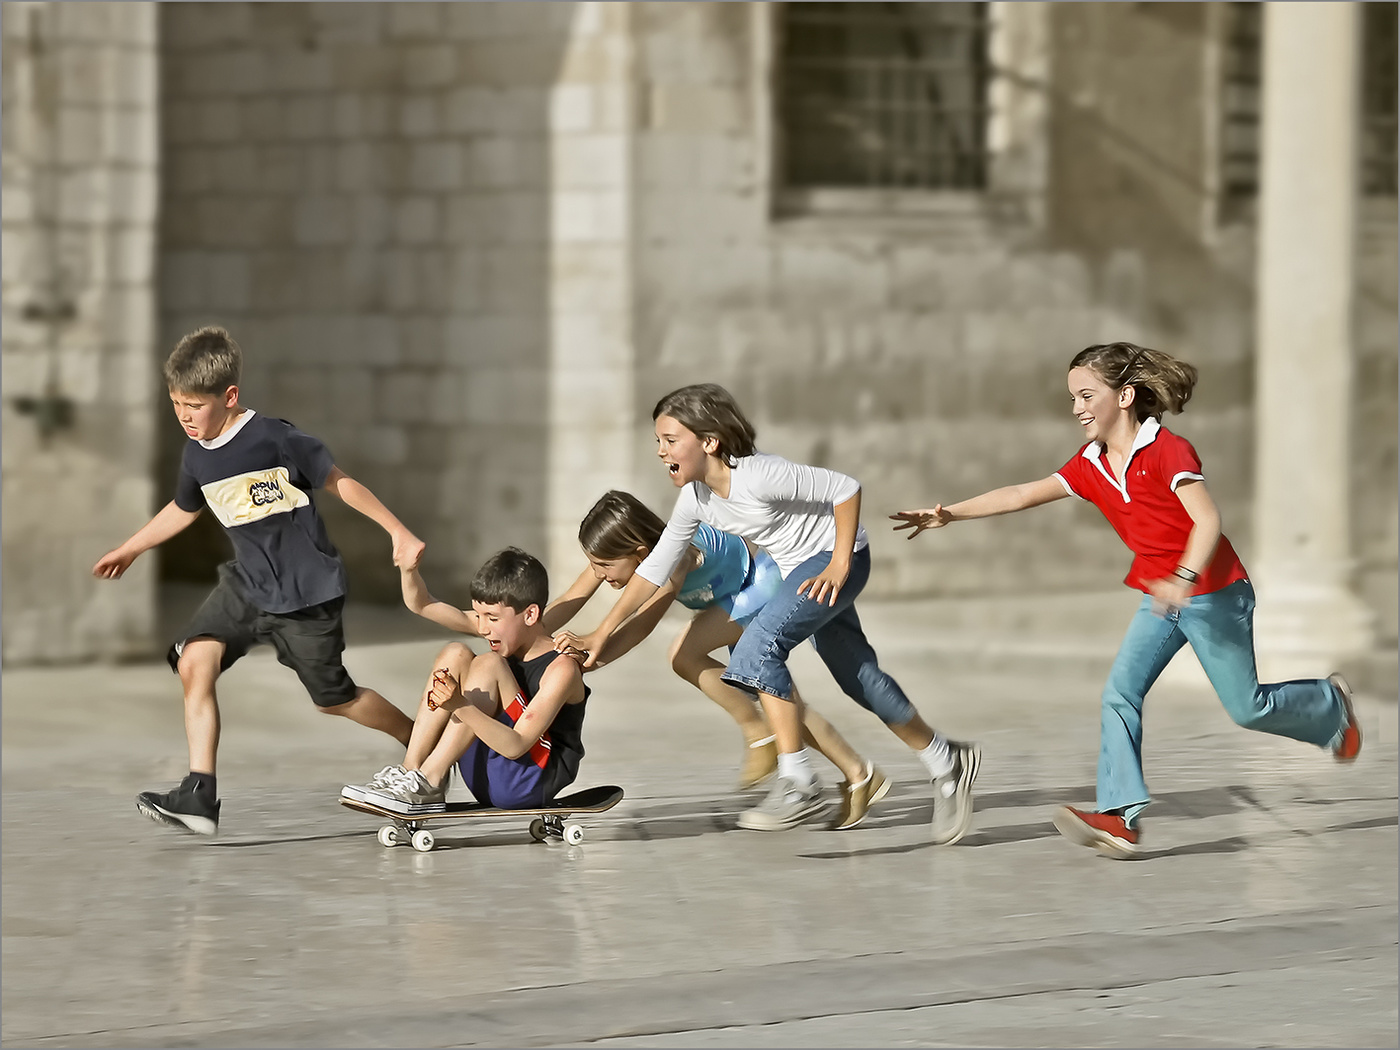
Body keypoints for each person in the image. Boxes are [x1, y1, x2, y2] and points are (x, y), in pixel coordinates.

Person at [892, 341, 1361, 859]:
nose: (1077, 408)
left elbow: (1208, 521)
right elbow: (1022, 493)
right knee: (1120, 693)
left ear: (1125, 396)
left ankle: (1329, 706)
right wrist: (950, 514)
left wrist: (1183, 578)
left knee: (1247, 709)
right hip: (1160, 600)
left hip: (1214, 594)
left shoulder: (1168, 451)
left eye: (1086, 395)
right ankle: (1119, 819)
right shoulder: (1091, 464)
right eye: (1072, 398)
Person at [562, 384, 979, 841]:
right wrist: (600, 633)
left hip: (832, 561)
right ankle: (945, 759)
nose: (661, 452)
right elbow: (654, 569)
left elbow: (845, 488)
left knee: (758, 649)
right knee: (858, 677)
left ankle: (798, 780)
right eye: (657, 442)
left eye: (669, 440)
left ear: (709, 441)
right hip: (801, 570)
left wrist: (840, 561)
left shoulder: (759, 475)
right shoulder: (696, 499)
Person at [93, 326, 424, 836]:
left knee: (335, 699)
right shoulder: (196, 455)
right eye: (176, 405)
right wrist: (132, 547)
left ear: (229, 397)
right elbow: (183, 509)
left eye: (194, 406)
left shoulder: (275, 438)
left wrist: (398, 531)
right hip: (247, 585)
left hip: (307, 593)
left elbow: (340, 482)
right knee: (194, 661)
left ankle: (420, 746)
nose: (184, 416)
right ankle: (200, 793)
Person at [548, 490, 890, 830]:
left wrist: (597, 646)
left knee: (684, 653)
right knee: (779, 704)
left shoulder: (676, 555)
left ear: (639, 553)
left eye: (604, 565)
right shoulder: (621, 553)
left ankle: (757, 731)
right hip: (730, 602)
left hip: (758, 585)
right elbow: (571, 596)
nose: (598, 572)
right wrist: (528, 633)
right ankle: (859, 772)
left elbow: (642, 622)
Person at [342, 547, 587, 814]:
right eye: (478, 615)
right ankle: (412, 772)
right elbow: (422, 604)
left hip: (527, 781)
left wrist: (459, 705)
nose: (482, 628)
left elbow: (516, 746)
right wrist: (408, 570)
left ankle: (430, 778)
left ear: (530, 615)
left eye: (492, 618)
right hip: (486, 775)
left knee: (488, 663)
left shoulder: (561, 667)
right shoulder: (504, 629)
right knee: (455, 653)